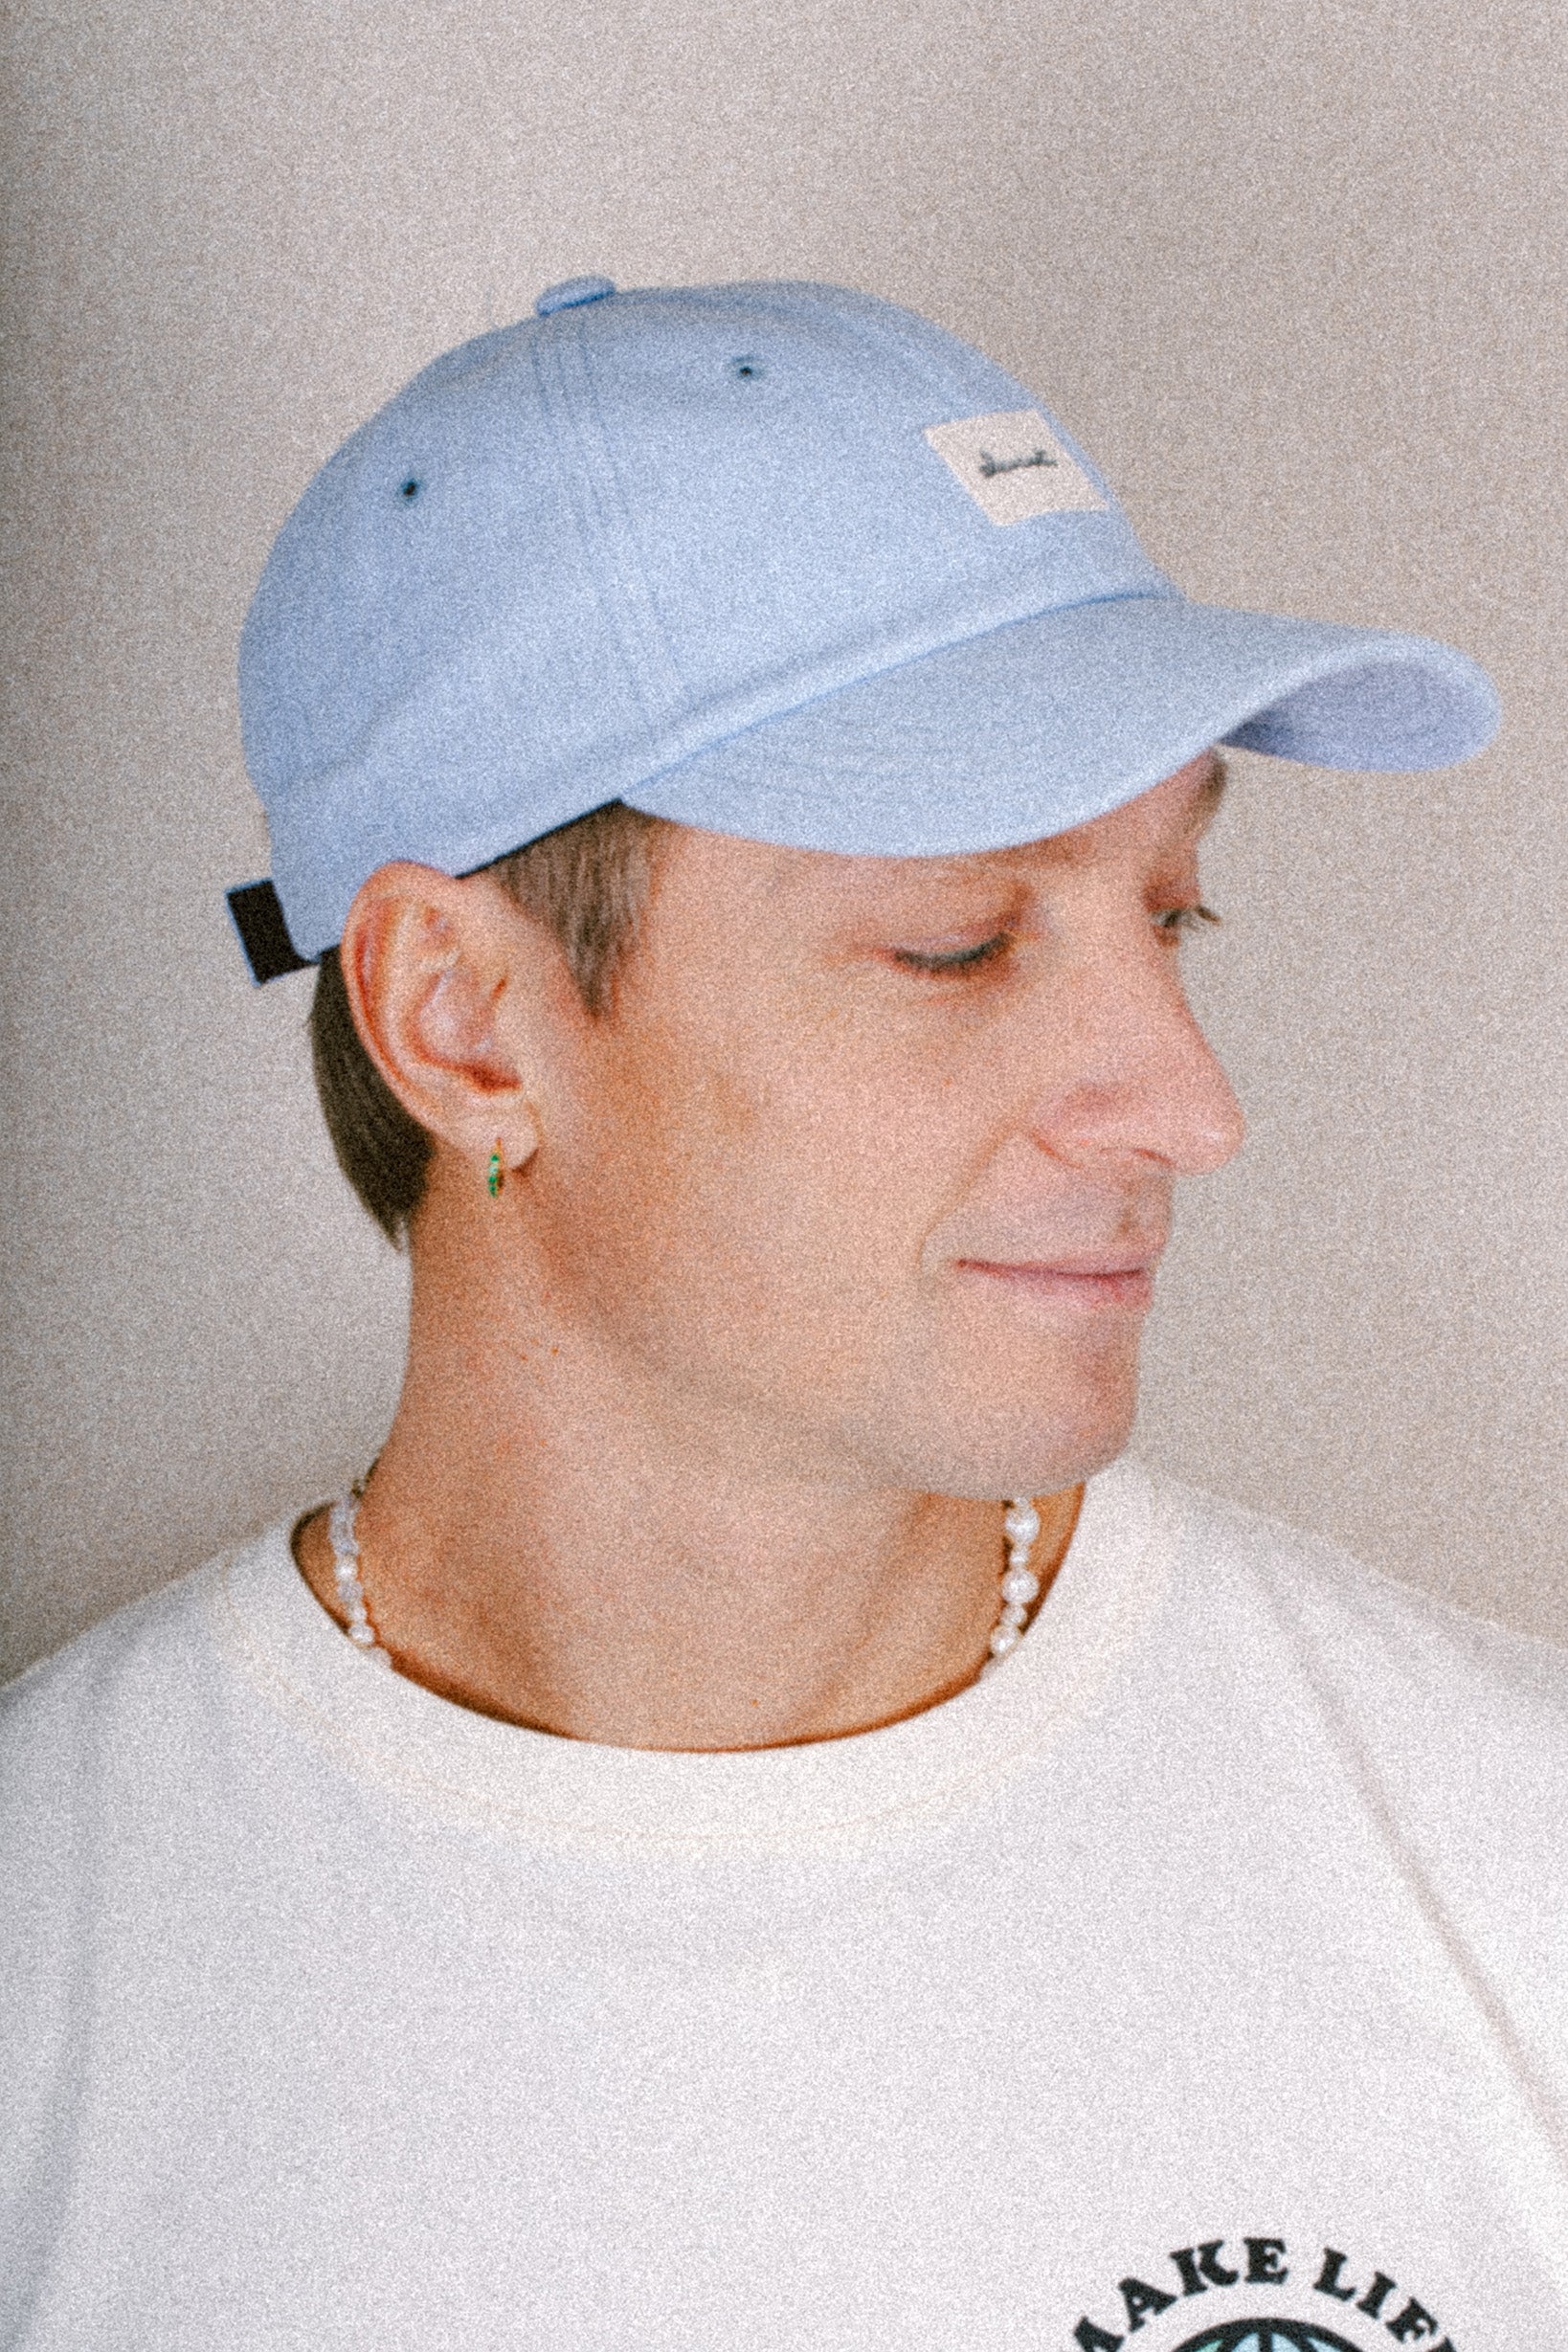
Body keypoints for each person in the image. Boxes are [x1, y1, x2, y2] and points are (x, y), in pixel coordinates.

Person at [3, 274, 1565, 2350]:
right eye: (957, 942)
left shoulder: (1504, 1852)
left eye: (1172, 912)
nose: (1192, 1107)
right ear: (461, 1021)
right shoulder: (52, 1966)